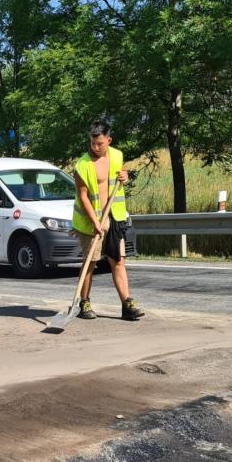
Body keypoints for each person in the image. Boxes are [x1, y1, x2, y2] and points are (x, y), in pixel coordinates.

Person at [71, 119, 145, 321]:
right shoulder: (82, 165)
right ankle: (84, 302)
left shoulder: (117, 156)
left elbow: (119, 181)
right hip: (90, 221)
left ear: (109, 140)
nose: (95, 147)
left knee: (118, 260)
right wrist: (95, 222)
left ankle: (127, 304)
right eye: (92, 143)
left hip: (115, 217)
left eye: (100, 143)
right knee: (90, 262)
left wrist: (125, 176)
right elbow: (83, 196)